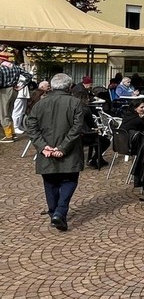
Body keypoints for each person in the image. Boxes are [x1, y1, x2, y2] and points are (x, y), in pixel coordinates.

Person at [26, 73, 84, 232]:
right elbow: (77, 128)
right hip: (67, 152)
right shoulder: (75, 103)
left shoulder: (40, 104)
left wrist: (43, 146)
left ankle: (55, 212)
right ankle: (59, 211)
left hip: (48, 151)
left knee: (50, 181)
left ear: (51, 87)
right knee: (69, 180)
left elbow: (31, 127)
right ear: (70, 87)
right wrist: (62, 147)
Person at [1, 54, 32, 142]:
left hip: (4, 91)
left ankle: (9, 135)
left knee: (3, 114)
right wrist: (21, 86)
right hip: (15, 90)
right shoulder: (15, 67)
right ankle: (12, 133)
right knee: (10, 112)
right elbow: (29, 76)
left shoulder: (1, 68)